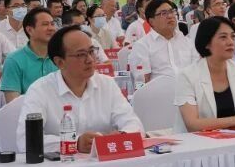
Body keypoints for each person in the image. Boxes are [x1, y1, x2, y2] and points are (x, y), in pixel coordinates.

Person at [15, 25, 144, 153]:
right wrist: (74, 143)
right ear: (60, 62)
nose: (90, 60)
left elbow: (134, 125)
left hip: (104, 164)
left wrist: (122, 136)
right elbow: (26, 140)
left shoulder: (107, 84)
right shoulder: (39, 90)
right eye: (81, 54)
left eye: (91, 51)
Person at [174, 16, 235, 133]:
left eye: (233, 36)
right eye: (223, 37)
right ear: (206, 43)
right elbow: (193, 124)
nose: (230, 42)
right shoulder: (187, 75)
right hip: (199, 144)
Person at [128, 0, 199, 81]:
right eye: (163, 13)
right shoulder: (142, 46)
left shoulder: (187, 42)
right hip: (158, 93)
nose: (170, 16)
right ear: (151, 21)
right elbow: (141, 83)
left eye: (172, 11)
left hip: (188, 91)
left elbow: (197, 71)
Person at [1, 8, 58, 102]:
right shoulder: (14, 60)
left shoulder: (62, 57)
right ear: (30, 30)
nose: (51, 28)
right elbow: (12, 103)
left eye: (52, 24)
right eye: (45, 24)